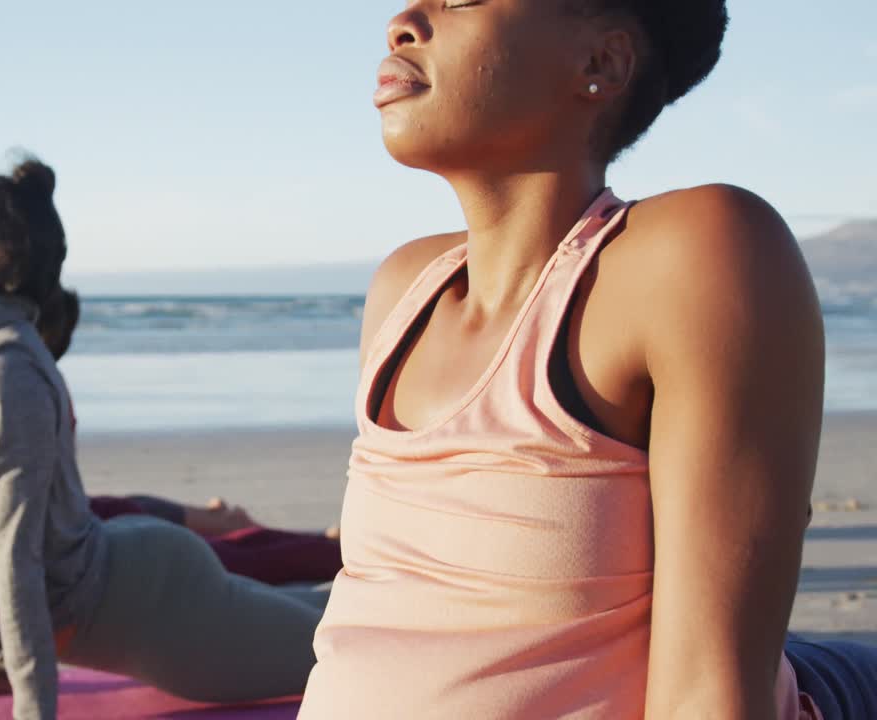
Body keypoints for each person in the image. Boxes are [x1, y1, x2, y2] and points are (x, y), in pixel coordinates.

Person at [298, 3, 876, 719]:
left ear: (600, 65)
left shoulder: (691, 253)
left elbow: (715, 690)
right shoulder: (405, 288)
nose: (404, 21)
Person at [0, 157, 326, 720]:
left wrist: (32, 710)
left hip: (158, 608)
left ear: (0, 257)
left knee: (342, 648)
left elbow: (16, 552)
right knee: (323, 613)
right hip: (129, 581)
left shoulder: (3, 368)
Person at [0, 290, 342, 583]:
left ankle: (325, 548)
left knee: (205, 552)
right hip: (55, 523)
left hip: (55, 530)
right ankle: (286, 536)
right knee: (198, 543)